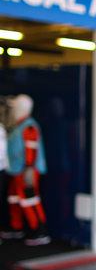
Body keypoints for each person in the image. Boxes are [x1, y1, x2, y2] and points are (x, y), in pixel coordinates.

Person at [1, 94, 49, 246]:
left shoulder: (29, 126)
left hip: (26, 171)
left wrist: (28, 169)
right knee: (14, 199)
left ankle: (39, 231)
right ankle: (16, 227)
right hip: (16, 170)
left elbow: (31, 149)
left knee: (30, 199)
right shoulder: (18, 126)